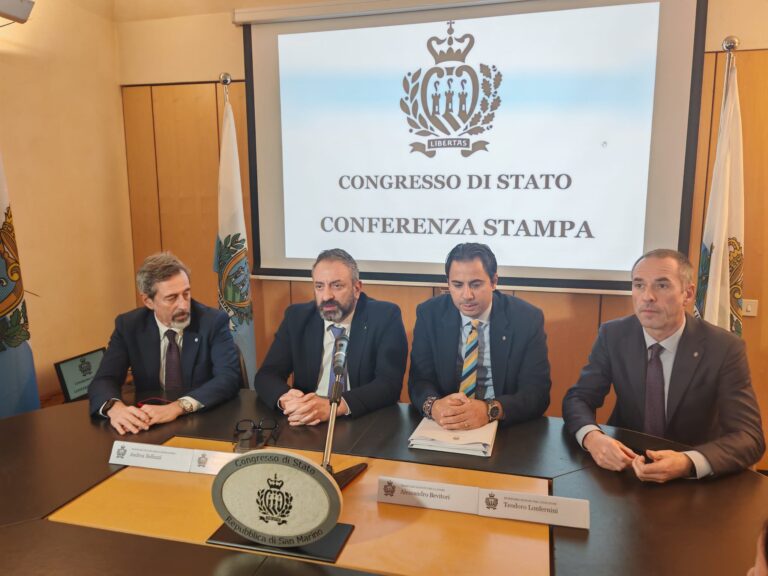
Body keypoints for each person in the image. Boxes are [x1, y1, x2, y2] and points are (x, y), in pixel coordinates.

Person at [563, 248, 765, 482]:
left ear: (687, 294)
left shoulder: (723, 347)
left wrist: (688, 462)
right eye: (639, 285)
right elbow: (579, 398)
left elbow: (749, 437)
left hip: (694, 477)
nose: (647, 296)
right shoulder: (614, 335)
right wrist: (593, 438)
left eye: (662, 285)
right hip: (625, 466)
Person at [88, 252, 240, 434]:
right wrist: (115, 408)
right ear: (148, 301)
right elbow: (105, 379)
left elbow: (228, 378)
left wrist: (177, 407)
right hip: (150, 424)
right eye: (172, 298)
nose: (183, 305)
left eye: (186, 293)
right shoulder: (129, 326)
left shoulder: (212, 322)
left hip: (204, 422)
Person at [254, 249, 407, 425]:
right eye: (319, 286)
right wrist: (286, 399)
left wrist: (335, 406)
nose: (326, 296)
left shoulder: (384, 317)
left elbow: (389, 384)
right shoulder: (297, 318)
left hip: (361, 420)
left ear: (357, 288)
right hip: (307, 418)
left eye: (337, 286)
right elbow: (267, 375)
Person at [408, 242, 551, 430]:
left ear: (494, 281)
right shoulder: (429, 314)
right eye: (457, 285)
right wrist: (434, 406)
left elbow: (537, 393)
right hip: (446, 423)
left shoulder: (526, 319)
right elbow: (419, 381)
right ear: (448, 283)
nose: (467, 295)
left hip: (502, 425)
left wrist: (490, 410)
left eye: (476, 285)